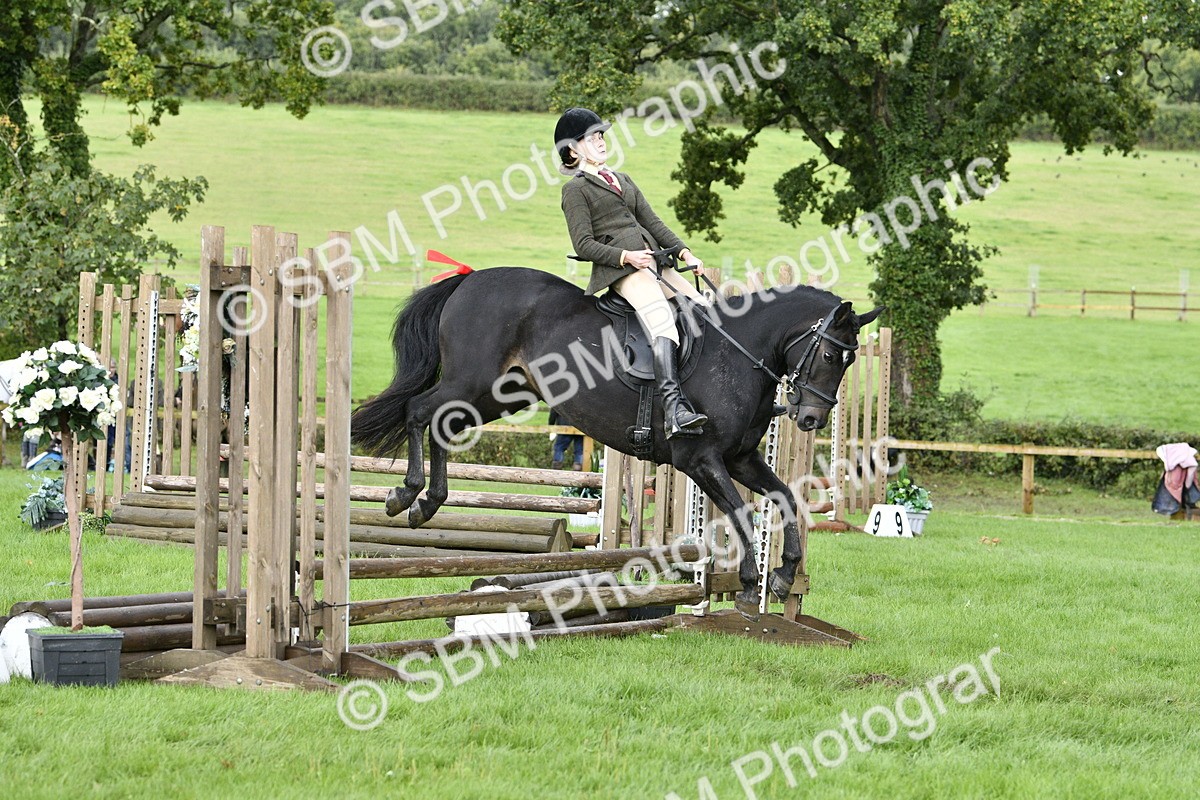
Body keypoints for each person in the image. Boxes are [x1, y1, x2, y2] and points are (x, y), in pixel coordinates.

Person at [555, 107, 711, 439]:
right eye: (591, 137)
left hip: (658, 262)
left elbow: (654, 223)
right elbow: (583, 244)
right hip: (623, 271)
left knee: (705, 312)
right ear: (572, 150)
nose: (600, 140)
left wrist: (686, 253)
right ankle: (674, 410)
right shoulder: (575, 190)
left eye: (601, 135)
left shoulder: (623, 179)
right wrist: (626, 256)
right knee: (662, 321)